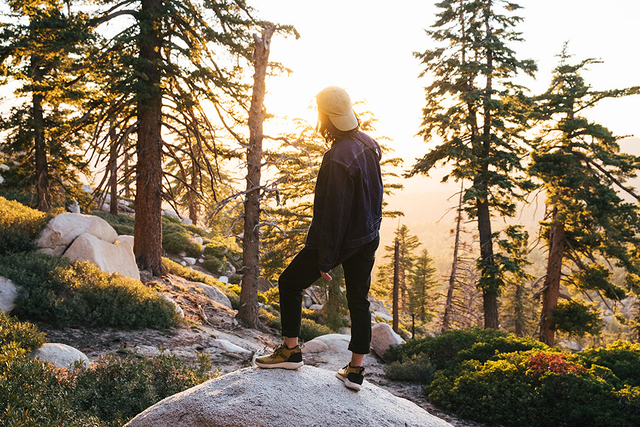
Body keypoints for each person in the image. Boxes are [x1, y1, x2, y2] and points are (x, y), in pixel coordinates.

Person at [256, 86, 383, 392]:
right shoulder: (370, 144)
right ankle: (355, 371)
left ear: (324, 116)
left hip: (343, 240)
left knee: (289, 283)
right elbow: (375, 196)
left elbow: (333, 215)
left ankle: (290, 351)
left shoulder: (336, 158)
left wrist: (326, 257)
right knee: (359, 301)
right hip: (368, 236)